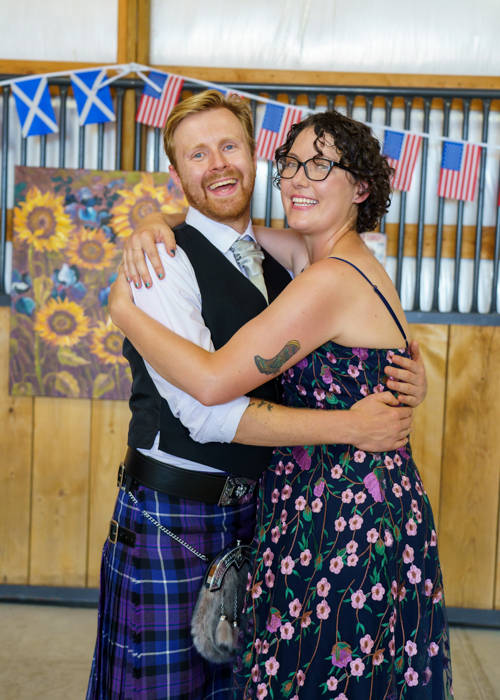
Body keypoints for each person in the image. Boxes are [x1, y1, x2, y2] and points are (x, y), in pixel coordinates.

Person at [91, 91, 427, 700]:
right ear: (176, 173)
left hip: (288, 512)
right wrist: (154, 236)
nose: (217, 164)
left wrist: (120, 313)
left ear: (249, 155)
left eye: (229, 147)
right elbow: (206, 411)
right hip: (178, 514)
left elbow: (225, 375)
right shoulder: (166, 263)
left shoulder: (303, 265)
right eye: (198, 154)